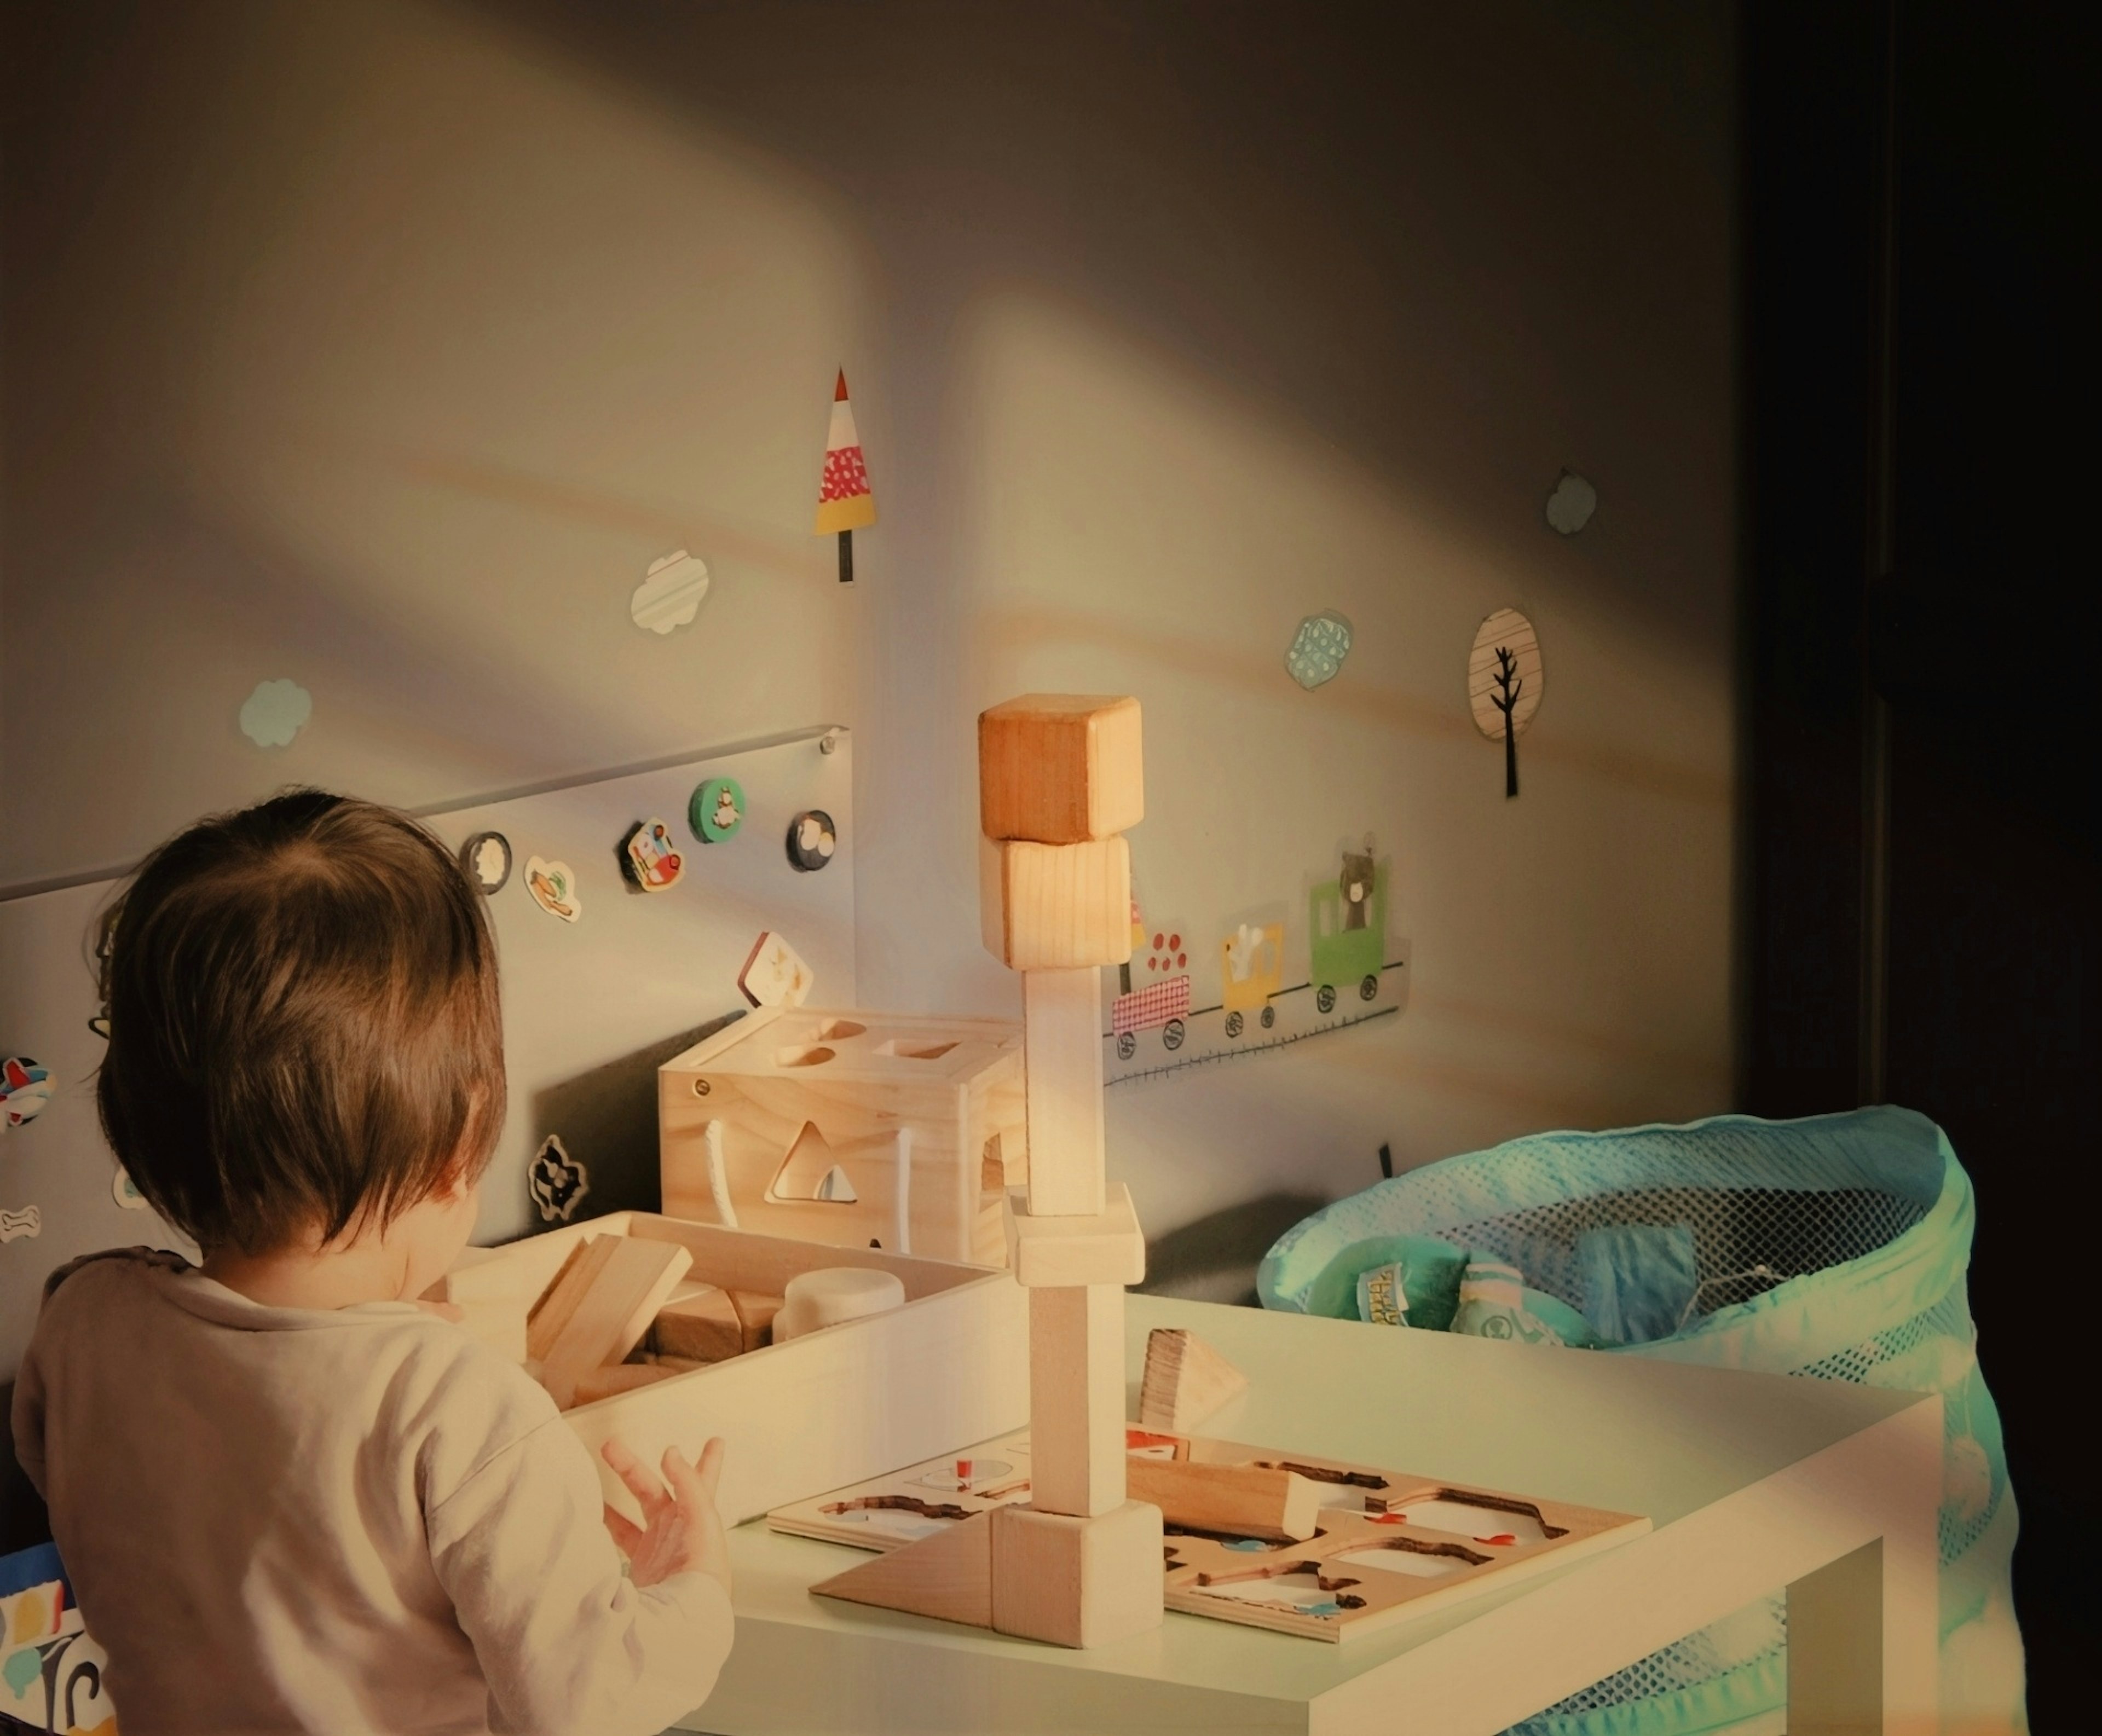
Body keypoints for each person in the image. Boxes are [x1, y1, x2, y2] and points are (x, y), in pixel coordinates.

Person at [11, 791, 732, 1735]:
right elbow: (590, 1701)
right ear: (462, 1140)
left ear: (141, 1134)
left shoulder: (82, 1321)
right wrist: (694, 1588)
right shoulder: (465, 1412)